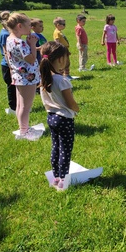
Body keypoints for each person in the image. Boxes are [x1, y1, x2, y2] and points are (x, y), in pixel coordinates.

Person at [39, 41, 79, 191]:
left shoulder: (44, 77)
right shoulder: (61, 80)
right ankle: (63, 178)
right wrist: (77, 109)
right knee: (65, 150)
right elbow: (70, 102)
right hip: (64, 118)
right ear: (61, 59)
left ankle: (56, 176)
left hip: (51, 117)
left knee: (55, 147)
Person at [6, 13, 42, 140]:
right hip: (27, 77)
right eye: (29, 25)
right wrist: (32, 44)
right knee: (26, 106)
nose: (31, 28)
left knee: (20, 105)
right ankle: (24, 131)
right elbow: (31, 59)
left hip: (19, 76)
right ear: (20, 26)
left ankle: (23, 127)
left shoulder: (10, 39)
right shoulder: (20, 42)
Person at [0, 11, 17, 115]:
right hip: (7, 65)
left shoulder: (7, 32)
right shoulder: (5, 34)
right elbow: (6, 52)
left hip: (11, 64)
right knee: (11, 86)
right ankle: (12, 108)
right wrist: (10, 66)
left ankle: (16, 106)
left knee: (15, 86)